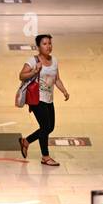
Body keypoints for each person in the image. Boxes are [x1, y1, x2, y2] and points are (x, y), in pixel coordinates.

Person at [19, 34, 70, 166]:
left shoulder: (55, 61)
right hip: (37, 98)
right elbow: (21, 75)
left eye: (49, 43)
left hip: (49, 98)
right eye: (45, 44)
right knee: (45, 127)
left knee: (50, 127)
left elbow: (56, 79)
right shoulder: (33, 60)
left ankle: (26, 141)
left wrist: (64, 90)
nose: (48, 46)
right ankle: (45, 156)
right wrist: (34, 71)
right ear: (38, 46)